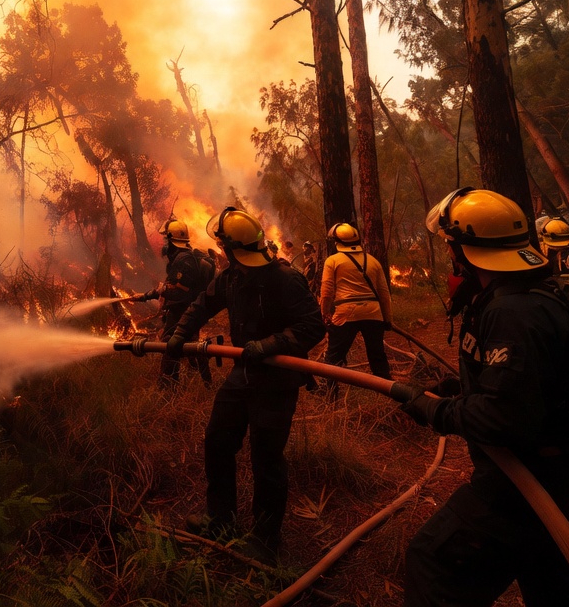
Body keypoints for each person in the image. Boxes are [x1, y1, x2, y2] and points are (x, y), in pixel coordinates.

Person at [398, 187, 569, 607]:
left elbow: (503, 418)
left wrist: (435, 409)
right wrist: (460, 386)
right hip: (555, 472)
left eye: (452, 247)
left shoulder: (513, 312)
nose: (451, 257)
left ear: (463, 250)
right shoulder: (518, 294)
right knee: (552, 583)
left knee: (432, 565)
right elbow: (524, 381)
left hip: (527, 480)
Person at [166, 206, 325, 564]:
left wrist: (271, 344)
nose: (221, 252)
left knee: (266, 458)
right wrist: (180, 332)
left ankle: (266, 538)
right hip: (243, 373)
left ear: (230, 247)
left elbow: (313, 327)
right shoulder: (231, 276)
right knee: (217, 441)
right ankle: (220, 519)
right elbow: (202, 304)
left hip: (278, 379)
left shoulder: (286, 279)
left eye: (223, 246)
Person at [319, 223, 393, 395]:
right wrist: (387, 319)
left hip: (346, 313)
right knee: (377, 355)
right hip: (373, 313)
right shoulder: (373, 261)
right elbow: (384, 293)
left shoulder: (333, 261)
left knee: (334, 356)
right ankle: (389, 392)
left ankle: (329, 393)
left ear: (336, 241)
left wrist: (325, 313)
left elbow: (327, 291)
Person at [149, 218, 213, 387]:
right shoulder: (187, 256)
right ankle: (206, 383)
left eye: (165, 239)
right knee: (191, 347)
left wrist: (160, 292)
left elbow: (180, 292)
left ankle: (167, 388)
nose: (163, 243)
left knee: (170, 346)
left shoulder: (183, 260)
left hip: (181, 312)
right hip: (192, 310)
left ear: (171, 240)